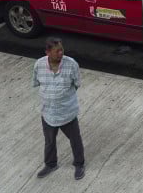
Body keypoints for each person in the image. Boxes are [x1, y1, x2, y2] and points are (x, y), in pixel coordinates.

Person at [33, 38, 85, 181]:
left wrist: (63, 97)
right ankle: (50, 164)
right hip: (48, 112)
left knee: (75, 140)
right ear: (48, 52)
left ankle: (79, 164)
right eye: (57, 51)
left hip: (67, 112)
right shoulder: (39, 65)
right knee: (49, 141)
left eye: (62, 49)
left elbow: (77, 84)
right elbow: (37, 82)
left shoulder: (71, 64)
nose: (61, 53)